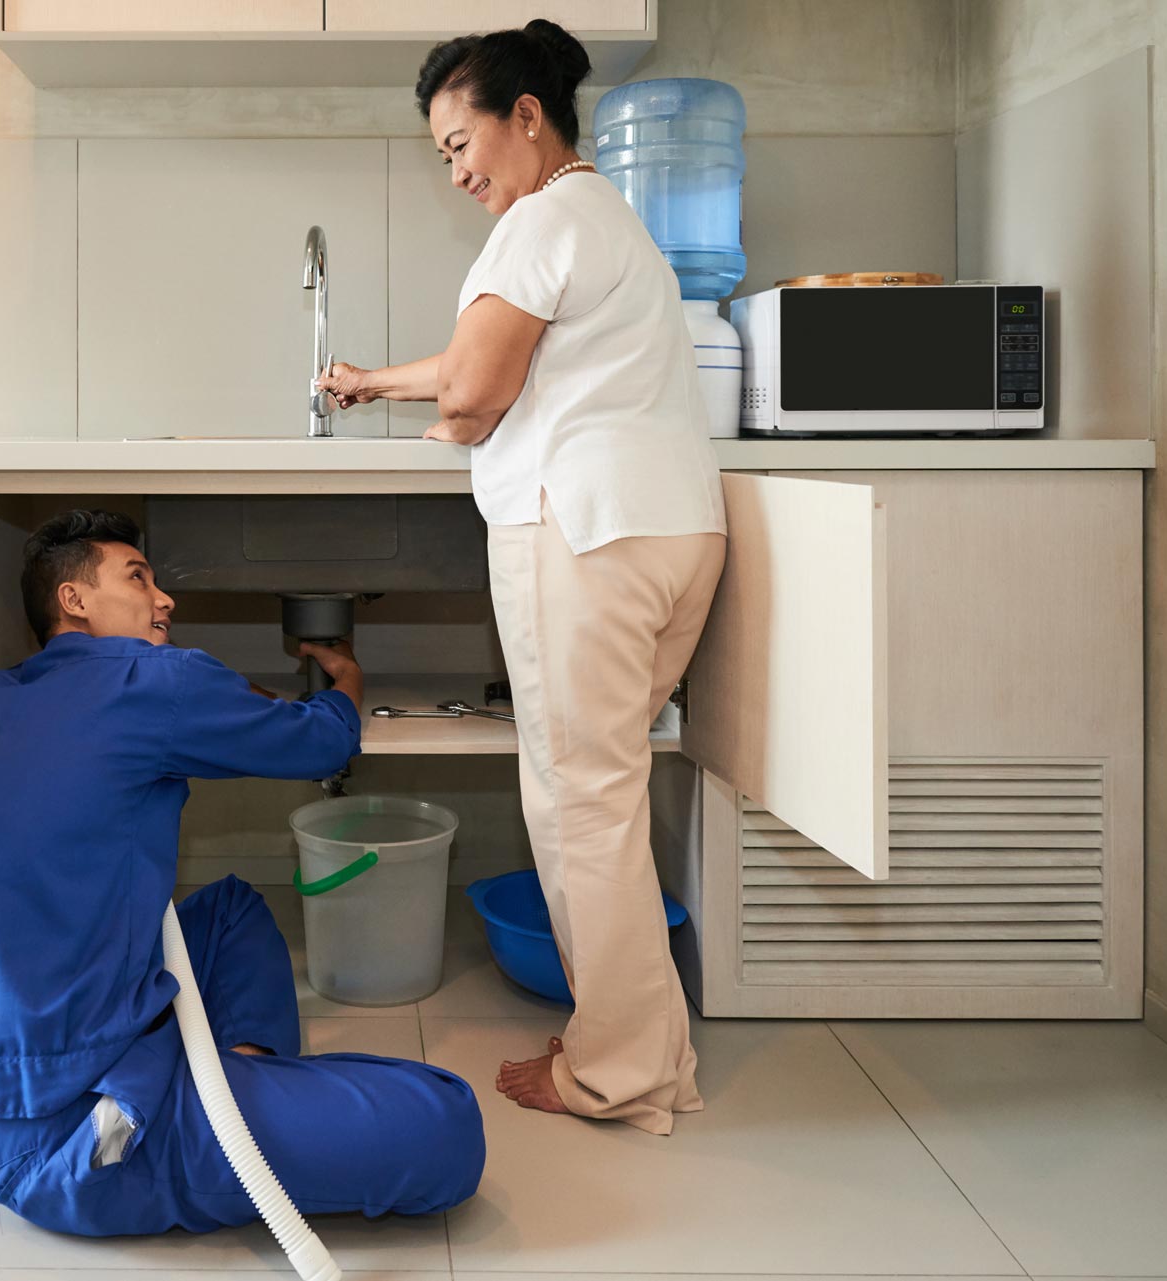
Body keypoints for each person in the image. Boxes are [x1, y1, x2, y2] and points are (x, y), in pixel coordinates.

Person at [319, 20, 728, 1134]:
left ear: (528, 118)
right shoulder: (605, 221)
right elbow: (481, 367)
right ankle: (642, 1048)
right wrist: (374, 383)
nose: (459, 172)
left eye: (462, 144)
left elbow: (476, 393)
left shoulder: (535, 223)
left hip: (583, 539)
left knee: (581, 805)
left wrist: (448, 417)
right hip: (672, 536)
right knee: (606, 794)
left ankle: (620, 1073)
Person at [0, 509, 485, 1237]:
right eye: (137, 577)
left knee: (232, 911)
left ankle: (231, 1093)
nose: (166, 599)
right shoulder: (152, 681)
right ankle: (223, 1124)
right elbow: (319, 741)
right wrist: (346, 680)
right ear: (74, 600)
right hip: (84, 1138)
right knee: (448, 1123)